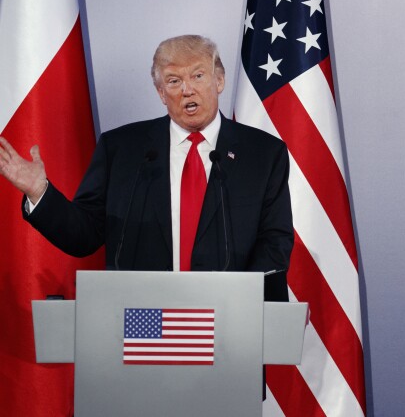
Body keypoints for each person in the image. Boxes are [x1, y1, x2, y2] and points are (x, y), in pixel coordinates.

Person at [0, 35, 293, 301]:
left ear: (219, 81)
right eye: (174, 81)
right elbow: (84, 234)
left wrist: (240, 299)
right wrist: (40, 192)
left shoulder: (264, 154)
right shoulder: (122, 149)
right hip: (143, 324)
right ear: (161, 93)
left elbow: (275, 241)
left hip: (232, 323)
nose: (187, 90)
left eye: (198, 76)